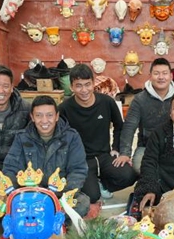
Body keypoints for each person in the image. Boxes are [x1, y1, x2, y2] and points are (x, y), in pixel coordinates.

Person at [2, 95, 90, 218]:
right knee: (2, 206)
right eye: (38, 115)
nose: (44, 121)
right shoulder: (21, 138)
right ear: (32, 117)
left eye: (49, 115)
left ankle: (53, 222)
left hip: (59, 195)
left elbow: (78, 170)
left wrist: (62, 196)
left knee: (82, 204)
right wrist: (11, 193)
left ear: (57, 116)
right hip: (29, 196)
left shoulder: (71, 137)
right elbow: (10, 168)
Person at [58, 64, 136, 202]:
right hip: (81, 160)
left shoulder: (107, 102)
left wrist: (117, 148)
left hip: (104, 156)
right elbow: (59, 138)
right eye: (79, 85)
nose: (84, 90)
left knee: (130, 174)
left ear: (94, 83)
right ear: (71, 87)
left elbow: (119, 126)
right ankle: (93, 183)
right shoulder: (64, 108)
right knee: (92, 196)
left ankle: (103, 184)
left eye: (87, 84)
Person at [118, 58, 174, 175]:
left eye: (164, 73)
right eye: (156, 73)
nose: (161, 77)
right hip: (146, 147)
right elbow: (130, 126)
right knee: (140, 167)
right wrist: (125, 153)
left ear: (171, 76)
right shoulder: (139, 99)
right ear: (150, 76)